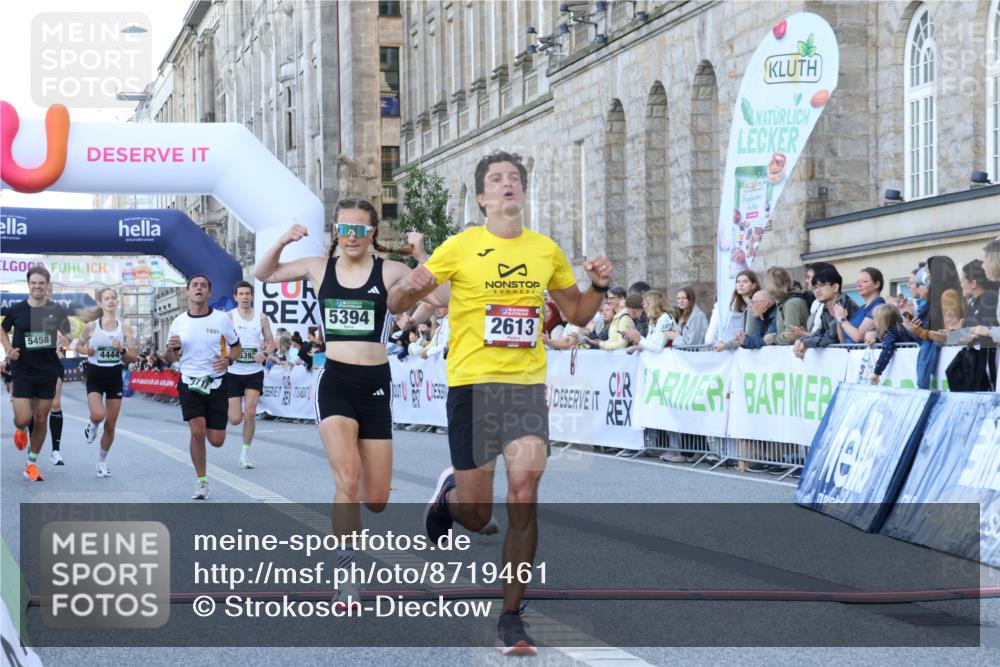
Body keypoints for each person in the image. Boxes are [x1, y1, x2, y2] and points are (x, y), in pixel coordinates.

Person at [387, 151, 612, 655]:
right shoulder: (461, 246)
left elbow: (575, 313)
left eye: (514, 178)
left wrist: (599, 285)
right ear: (483, 197)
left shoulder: (545, 250)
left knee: (524, 493)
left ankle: (511, 616)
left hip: (525, 387)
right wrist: (408, 289)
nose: (507, 184)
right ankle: (450, 499)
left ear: (524, 193)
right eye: (496, 179)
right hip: (472, 386)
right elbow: (399, 301)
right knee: (476, 515)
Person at [255, 196, 451, 609]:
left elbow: (444, 299)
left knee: (376, 499)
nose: (352, 237)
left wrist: (420, 255)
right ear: (336, 232)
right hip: (336, 382)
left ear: (373, 233)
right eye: (345, 228)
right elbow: (263, 272)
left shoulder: (391, 270)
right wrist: (283, 240)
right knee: (346, 480)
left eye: (361, 229)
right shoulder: (317, 267)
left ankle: (362, 502)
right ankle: (346, 577)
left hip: (376, 385)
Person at [162, 275, 242, 499]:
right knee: (197, 430)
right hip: (189, 382)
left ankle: (213, 425)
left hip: (216, 382)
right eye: (194, 286)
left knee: (216, 440)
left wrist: (229, 361)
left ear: (209, 293)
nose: (199, 288)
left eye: (203, 286)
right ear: (187, 292)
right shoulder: (178, 322)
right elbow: (169, 357)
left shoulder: (222, 320)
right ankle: (202, 481)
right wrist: (170, 350)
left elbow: (237, 347)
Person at [0, 267, 71, 481]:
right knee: (23, 418)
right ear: (28, 284)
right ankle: (21, 429)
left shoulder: (56, 310)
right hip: (22, 370)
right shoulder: (18, 309)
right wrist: (9, 349)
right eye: (34, 283)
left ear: (47, 285)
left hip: (47, 371)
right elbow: (2, 329)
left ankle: (31, 464)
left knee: (41, 419)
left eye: (41, 283)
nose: (38, 286)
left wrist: (66, 340)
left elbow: (67, 332)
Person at [76, 288, 137, 477]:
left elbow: (133, 357)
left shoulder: (125, 329)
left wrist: (122, 351)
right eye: (106, 298)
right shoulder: (92, 327)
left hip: (114, 378)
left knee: (111, 425)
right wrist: (86, 351)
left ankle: (102, 461)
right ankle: (92, 426)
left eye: (113, 298)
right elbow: (77, 345)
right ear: (101, 303)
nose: (110, 301)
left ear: (117, 302)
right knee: (98, 414)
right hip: (95, 376)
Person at [225, 281, 276, 470]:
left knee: (251, 413)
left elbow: (271, 342)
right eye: (241, 294)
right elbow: (220, 341)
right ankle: (227, 410)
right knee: (235, 419)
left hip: (254, 371)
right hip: (233, 372)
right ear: (235, 297)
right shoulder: (229, 317)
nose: (245, 297)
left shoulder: (262, 318)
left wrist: (265, 353)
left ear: (252, 296)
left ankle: (245, 453)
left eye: (248, 293)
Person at [794, 265, 858, 359]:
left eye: (822, 285)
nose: (817, 291)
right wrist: (801, 340)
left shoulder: (842, 304)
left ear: (835, 287)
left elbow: (831, 337)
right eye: (815, 287)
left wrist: (806, 342)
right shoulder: (826, 306)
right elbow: (820, 332)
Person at [705, 270, 759, 347]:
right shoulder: (729, 305)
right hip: (731, 349)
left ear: (753, 285)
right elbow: (710, 337)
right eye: (738, 282)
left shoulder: (759, 302)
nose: (740, 285)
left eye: (745, 282)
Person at [868, 303, 917, 384]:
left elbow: (886, 350)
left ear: (882, 320)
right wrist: (876, 341)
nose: (873, 321)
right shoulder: (898, 329)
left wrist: (877, 372)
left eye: (875, 318)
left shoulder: (892, 331)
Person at [836, 268, 885, 344]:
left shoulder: (878, 307)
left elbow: (859, 337)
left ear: (877, 284)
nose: (859, 285)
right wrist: (839, 318)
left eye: (864, 282)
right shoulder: (862, 308)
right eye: (858, 282)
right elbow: (843, 341)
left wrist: (842, 319)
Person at [764, 267, 811, 346]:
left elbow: (791, 337)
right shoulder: (783, 302)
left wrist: (773, 338)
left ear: (771, 286)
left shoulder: (791, 303)